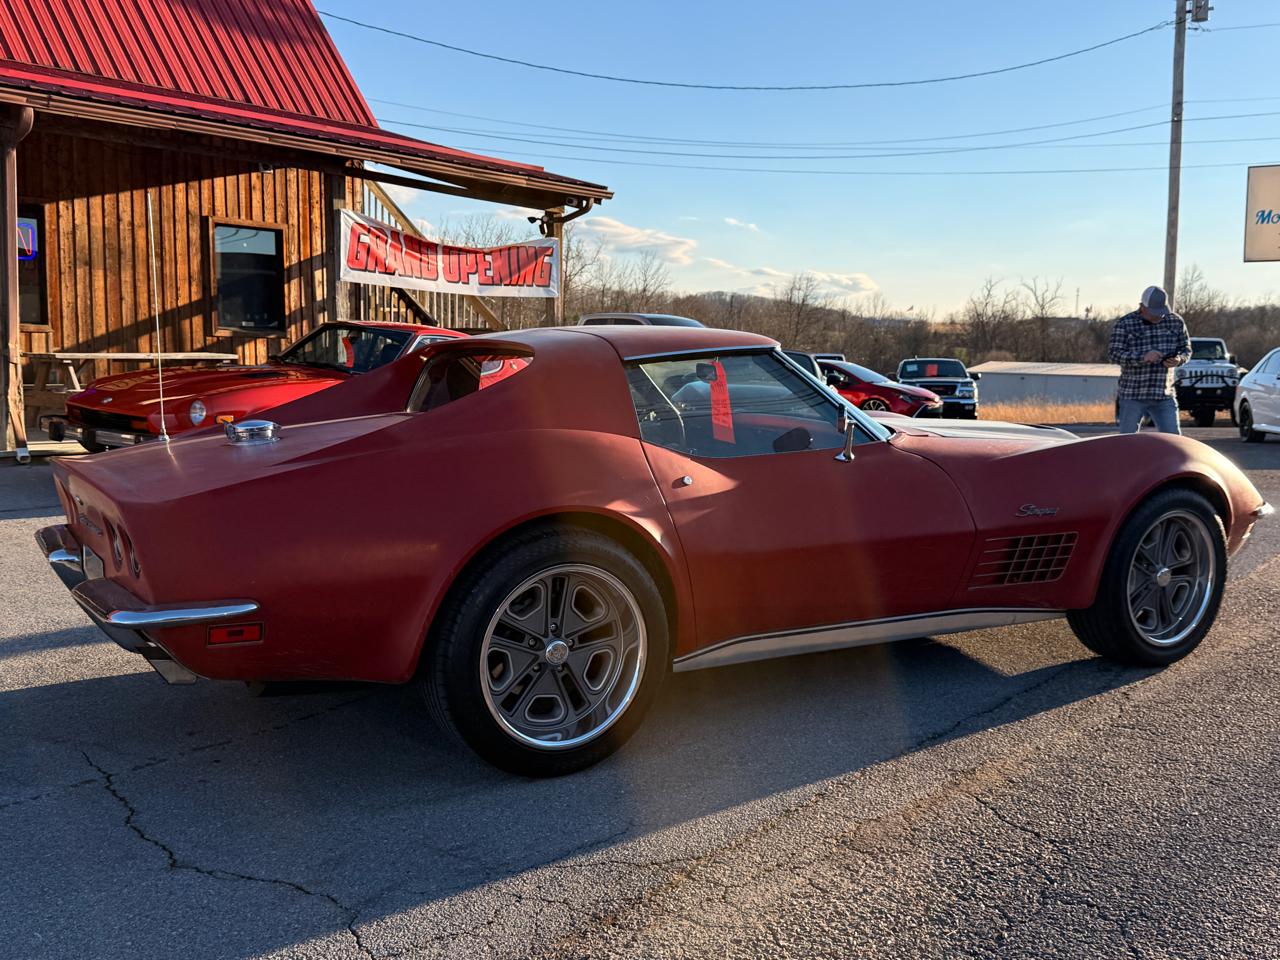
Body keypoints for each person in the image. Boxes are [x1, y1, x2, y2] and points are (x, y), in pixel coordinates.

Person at [1108, 285, 1191, 435]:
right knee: (1127, 441)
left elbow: (1187, 348)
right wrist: (1142, 357)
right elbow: (1114, 354)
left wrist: (1178, 359)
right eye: (1154, 312)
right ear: (1142, 307)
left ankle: (1170, 460)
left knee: (1174, 440)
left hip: (1163, 394)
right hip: (1133, 394)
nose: (1158, 316)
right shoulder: (1125, 323)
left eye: (1161, 312)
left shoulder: (1176, 321)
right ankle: (1128, 459)